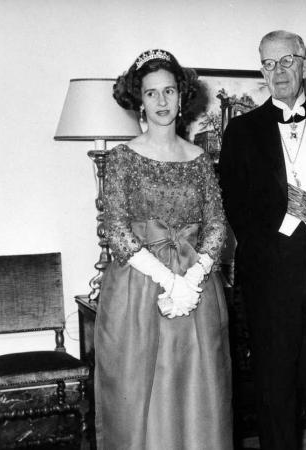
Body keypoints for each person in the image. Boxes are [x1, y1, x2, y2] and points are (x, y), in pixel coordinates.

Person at [218, 31, 306, 450]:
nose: (276, 71)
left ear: (304, 65)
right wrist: (274, 245)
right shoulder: (241, 130)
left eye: (285, 61)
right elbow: (236, 206)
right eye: (267, 64)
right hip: (270, 274)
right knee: (274, 389)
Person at [95, 49, 232, 449]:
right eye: (152, 93)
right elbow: (115, 227)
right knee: (141, 393)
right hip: (139, 288)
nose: (161, 102)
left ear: (180, 95)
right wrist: (168, 280)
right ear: (139, 98)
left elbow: (217, 223)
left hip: (197, 288)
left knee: (197, 391)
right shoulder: (122, 159)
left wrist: (192, 277)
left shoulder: (199, 158)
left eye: (169, 91)